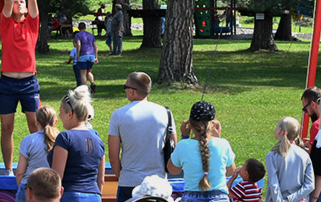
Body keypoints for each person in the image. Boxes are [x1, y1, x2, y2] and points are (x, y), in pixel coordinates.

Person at [0, 0, 41, 174]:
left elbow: (33, 0)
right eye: (16, 1)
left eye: (21, 2)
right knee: (7, 127)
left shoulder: (32, 23)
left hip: (28, 82)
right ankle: (8, 169)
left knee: (35, 127)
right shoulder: (5, 23)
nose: (18, 3)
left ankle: (35, 166)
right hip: (7, 83)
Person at [108, 72, 175, 202]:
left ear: (132, 91)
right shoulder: (165, 112)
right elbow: (174, 147)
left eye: (125, 87)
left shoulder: (118, 114)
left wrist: (122, 176)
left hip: (129, 182)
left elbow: (113, 155)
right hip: (159, 184)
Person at [167, 101, 236, 202]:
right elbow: (230, 172)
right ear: (213, 125)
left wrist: (184, 138)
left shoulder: (183, 145)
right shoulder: (223, 144)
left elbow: (172, 170)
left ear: (189, 124)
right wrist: (218, 139)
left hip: (191, 198)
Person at [51, 86, 104, 202]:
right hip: (94, 196)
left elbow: (57, 178)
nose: (59, 116)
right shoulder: (98, 139)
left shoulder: (65, 137)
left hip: (71, 195)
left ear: (70, 114)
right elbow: (100, 180)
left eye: (61, 112)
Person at [15, 105, 59, 202]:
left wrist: (21, 188)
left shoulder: (29, 140)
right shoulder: (61, 140)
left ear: (37, 121)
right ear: (55, 122)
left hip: (29, 186)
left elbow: (20, 172)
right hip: (51, 189)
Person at [264, 117, 313, 202]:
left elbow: (274, 184)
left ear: (280, 131)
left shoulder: (272, 155)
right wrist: (290, 199)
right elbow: (310, 185)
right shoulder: (304, 155)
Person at [72, 24, 97, 93]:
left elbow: (79, 44)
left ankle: (85, 88)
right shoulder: (90, 35)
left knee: (83, 73)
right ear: (85, 28)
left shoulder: (78, 35)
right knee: (89, 71)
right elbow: (95, 46)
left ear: (79, 28)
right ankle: (92, 83)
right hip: (91, 55)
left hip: (83, 54)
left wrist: (78, 54)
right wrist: (96, 57)